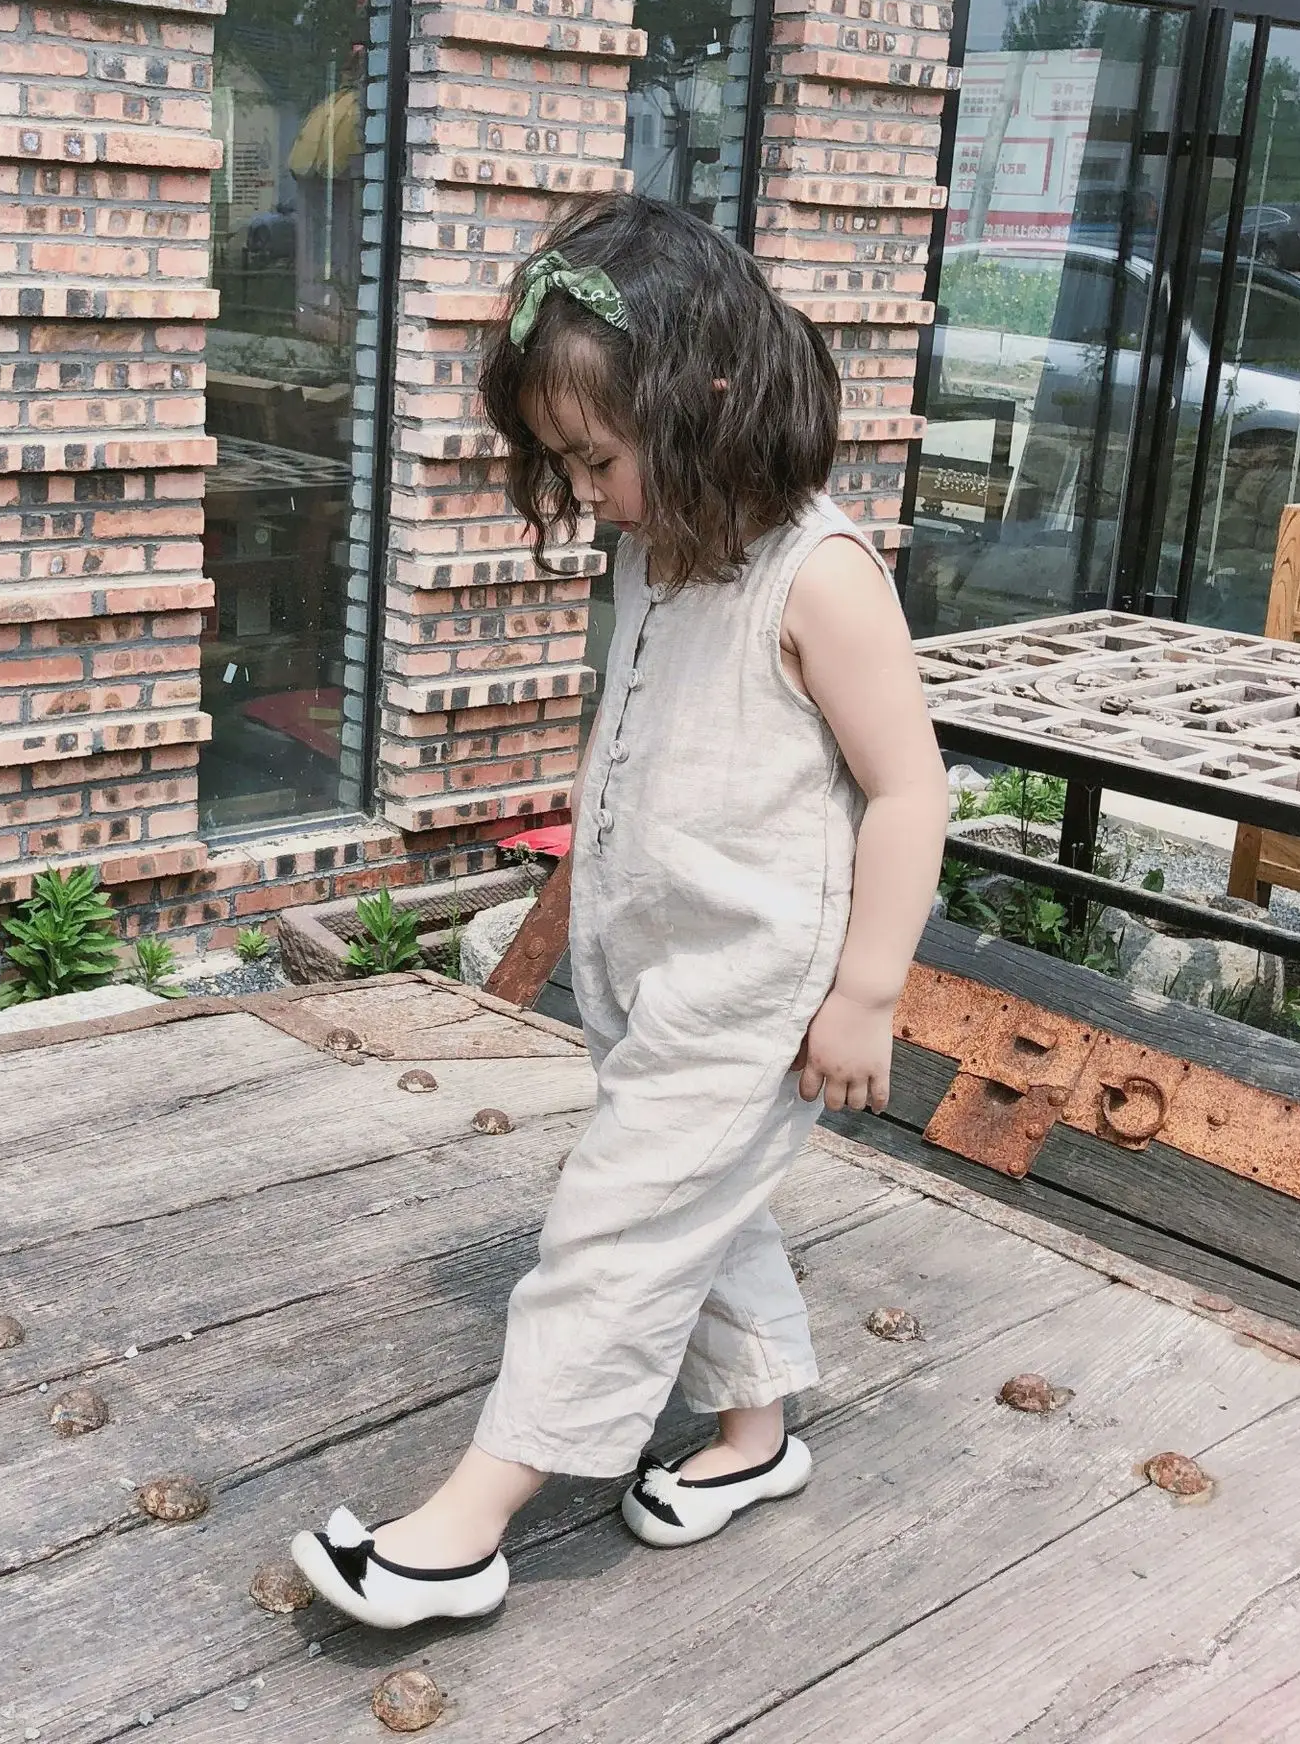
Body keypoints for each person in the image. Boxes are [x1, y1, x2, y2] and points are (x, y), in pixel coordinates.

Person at [288, 193, 949, 1629]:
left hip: (759, 983)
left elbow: (912, 793)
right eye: (565, 463)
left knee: (616, 1227)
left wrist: (868, 994)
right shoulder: (666, 541)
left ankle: (467, 1528)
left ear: (708, 403)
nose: (586, 491)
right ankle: (755, 1435)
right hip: (651, 965)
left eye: (598, 458)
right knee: (696, 1199)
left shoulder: (819, 575)